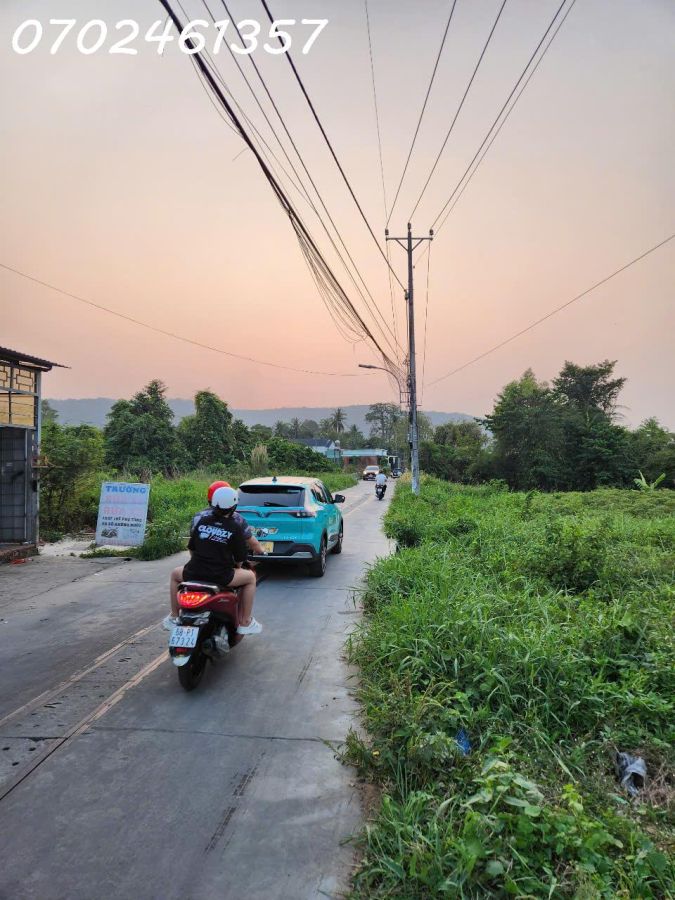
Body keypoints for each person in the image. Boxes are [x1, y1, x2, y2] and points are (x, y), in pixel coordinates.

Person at [164, 486, 264, 635]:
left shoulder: (202, 521)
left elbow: (192, 548)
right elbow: (239, 559)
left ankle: (173, 616)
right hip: (221, 576)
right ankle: (245, 622)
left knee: (174, 574)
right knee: (250, 578)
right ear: (234, 506)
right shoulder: (235, 526)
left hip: (193, 572)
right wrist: (237, 567)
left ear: (212, 503)